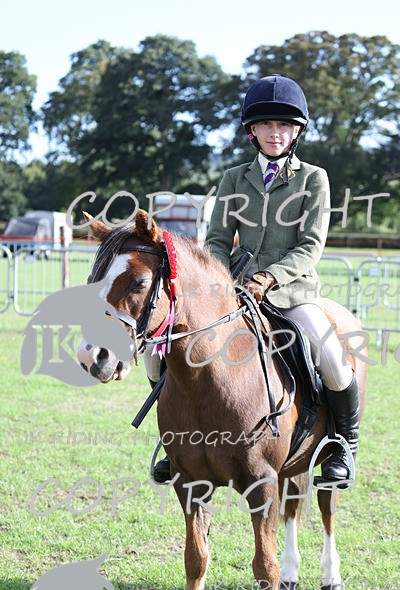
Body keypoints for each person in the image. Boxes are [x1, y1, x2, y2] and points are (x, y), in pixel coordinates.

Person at [153, 74, 359, 483]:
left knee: (332, 358)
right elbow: (216, 239)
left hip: (292, 292)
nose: (274, 133)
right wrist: (219, 282)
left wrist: (269, 277)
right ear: (252, 130)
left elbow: (310, 245)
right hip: (232, 292)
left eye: (283, 125)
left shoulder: (313, 178)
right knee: (161, 350)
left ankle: (344, 445)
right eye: (266, 124)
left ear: (296, 131)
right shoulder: (233, 178)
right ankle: (174, 443)